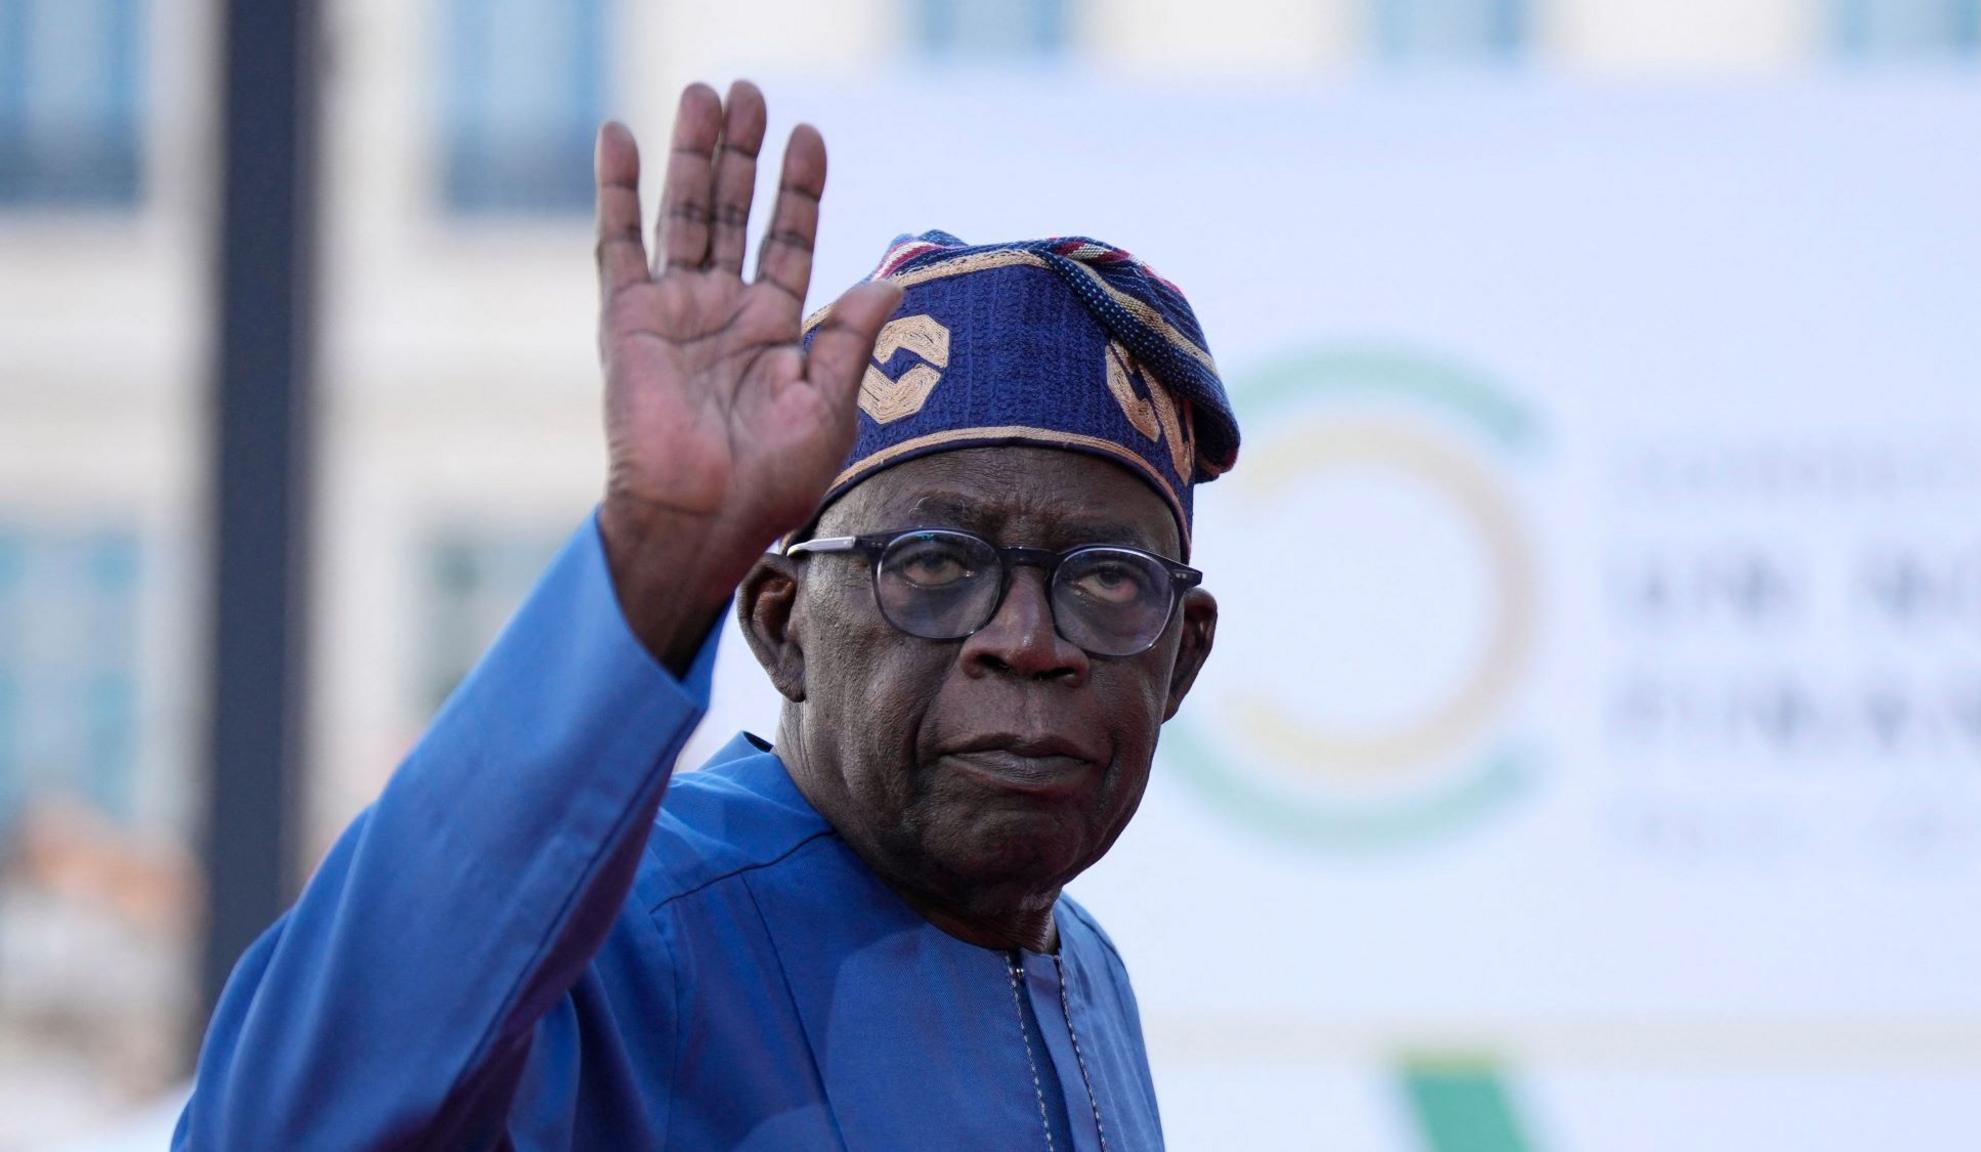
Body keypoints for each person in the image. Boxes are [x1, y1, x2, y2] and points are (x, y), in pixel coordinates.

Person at [175, 79, 1239, 1151]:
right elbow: (280, 1128)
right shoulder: (636, 935)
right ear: (781, 626)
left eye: (1105, 580)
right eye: (932, 563)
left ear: (1179, 657)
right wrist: (654, 560)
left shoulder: (1086, 970)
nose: (1026, 640)